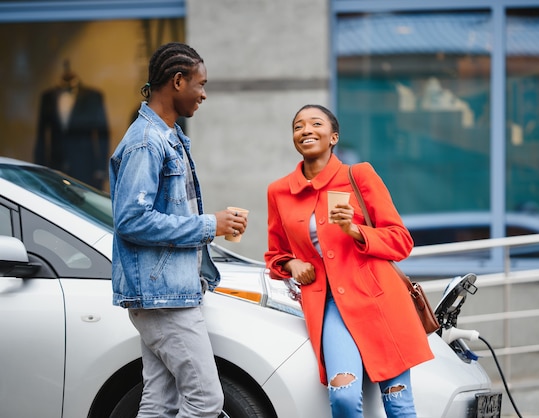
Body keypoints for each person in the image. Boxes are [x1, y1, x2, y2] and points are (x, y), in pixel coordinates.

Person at [264, 104, 434, 417]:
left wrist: (355, 230)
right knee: (343, 397)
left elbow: (401, 241)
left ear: (334, 136)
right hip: (327, 305)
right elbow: (275, 253)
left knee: (398, 403)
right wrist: (291, 265)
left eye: (316, 123)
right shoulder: (279, 192)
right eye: (298, 126)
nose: (306, 130)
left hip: (379, 300)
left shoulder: (360, 176)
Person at [109, 42, 247, 418]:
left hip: (167, 292)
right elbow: (131, 220)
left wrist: (214, 225)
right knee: (205, 401)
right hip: (162, 296)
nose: (203, 94)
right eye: (200, 84)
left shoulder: (168, 137)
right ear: (178, 80)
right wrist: (210, 224)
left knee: (161, 401)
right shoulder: (146, 142)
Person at [34, 60, 109, 189]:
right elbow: (41, 135)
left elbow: (102, 133)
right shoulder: (48, 96)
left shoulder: (93, 96)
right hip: (56, 165)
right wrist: (40, 166)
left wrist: (101, 168)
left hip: (86, 166)